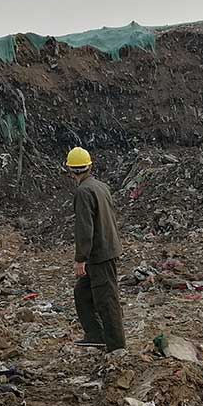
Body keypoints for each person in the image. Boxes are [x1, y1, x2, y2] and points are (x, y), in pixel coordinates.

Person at [65, 146, 125, 352]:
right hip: (105, 250)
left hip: (100, 255)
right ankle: (96, 335)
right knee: (82, 293)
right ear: (89, 166)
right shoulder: (101, 186)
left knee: (107, 301)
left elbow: (85, 228)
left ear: (71, 171)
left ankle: (117, 346)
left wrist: (80, 259)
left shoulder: (83, 192)